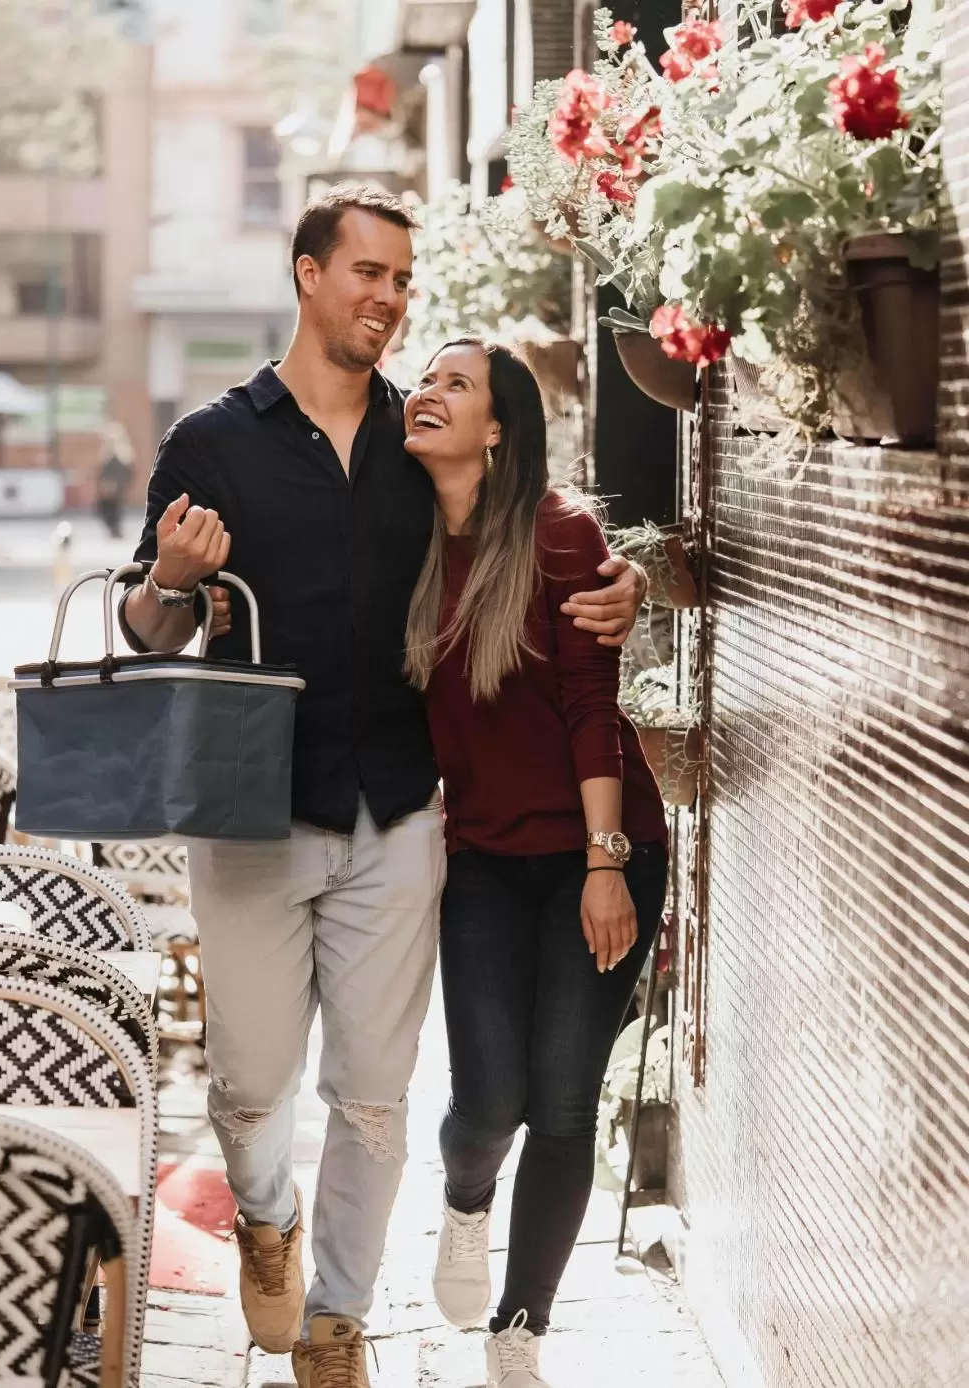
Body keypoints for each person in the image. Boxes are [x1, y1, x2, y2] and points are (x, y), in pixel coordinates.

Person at [119, 185, 647, 1388]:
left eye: (404, 281)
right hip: (251, 808)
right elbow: (149, 628)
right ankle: (264, 1217)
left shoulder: (424, 440)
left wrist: (624, 592)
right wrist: (168, 577)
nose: (390, 300)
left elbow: (530, 529)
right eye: (369, 274)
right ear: (308, 275)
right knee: (253, 1087)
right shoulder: (213, 441)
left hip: (401, 811)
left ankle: (339, 1319)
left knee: (373, 1092)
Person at [402, 338, 669, 1388]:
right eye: (424, 378)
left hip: (599, 852)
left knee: (562, 1101)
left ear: (500, 427)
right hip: (481, 858)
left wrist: (606, 864)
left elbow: (592, 706)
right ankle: (466, 1200)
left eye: (454, 383)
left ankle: (521, 1327)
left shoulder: (558, 532)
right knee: (486, 1104)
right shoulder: (401, 535)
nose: (427, 391)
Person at [95, 422, 135, 538]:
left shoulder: (122, 455)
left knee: (115, 508)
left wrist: (116, 484)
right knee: (106, 508)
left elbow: (126, 472)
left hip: (116, 486)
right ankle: (113, 529)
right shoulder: (106, 454)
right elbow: (101, 471)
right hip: (108, 486)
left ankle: (115, 530)